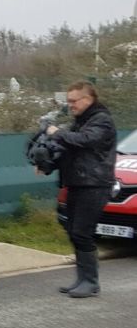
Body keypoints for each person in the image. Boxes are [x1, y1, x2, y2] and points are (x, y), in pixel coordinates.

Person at [46, 81, 117, 298]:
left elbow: (85, 141)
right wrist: (48, 162)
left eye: (74, 101)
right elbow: (69, 149)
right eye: (68, 102)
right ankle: (82, 278)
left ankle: (90, 282)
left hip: (94, 184)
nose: (71, 106)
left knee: (82, 232)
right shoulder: (81, 121)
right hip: (78, 183)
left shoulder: (101, 121)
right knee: (73, 231)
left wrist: (56, 132)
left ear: (88, 99)